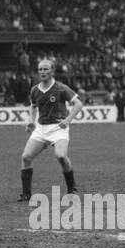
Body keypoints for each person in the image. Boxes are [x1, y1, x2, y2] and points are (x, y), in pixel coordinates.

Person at [17, 57, 83, 202]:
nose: (42, 72)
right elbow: (33, 106)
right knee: (26, 157)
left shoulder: (61, 88)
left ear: (52, 71)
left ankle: (72, 189)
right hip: (41, 129)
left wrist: (68, 120)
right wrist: (31, 121)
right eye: (40, 69)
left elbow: (78, 104)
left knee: (60, 156)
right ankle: (26, 194)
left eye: (46, 69)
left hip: (58, 128)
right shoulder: (34, 90)